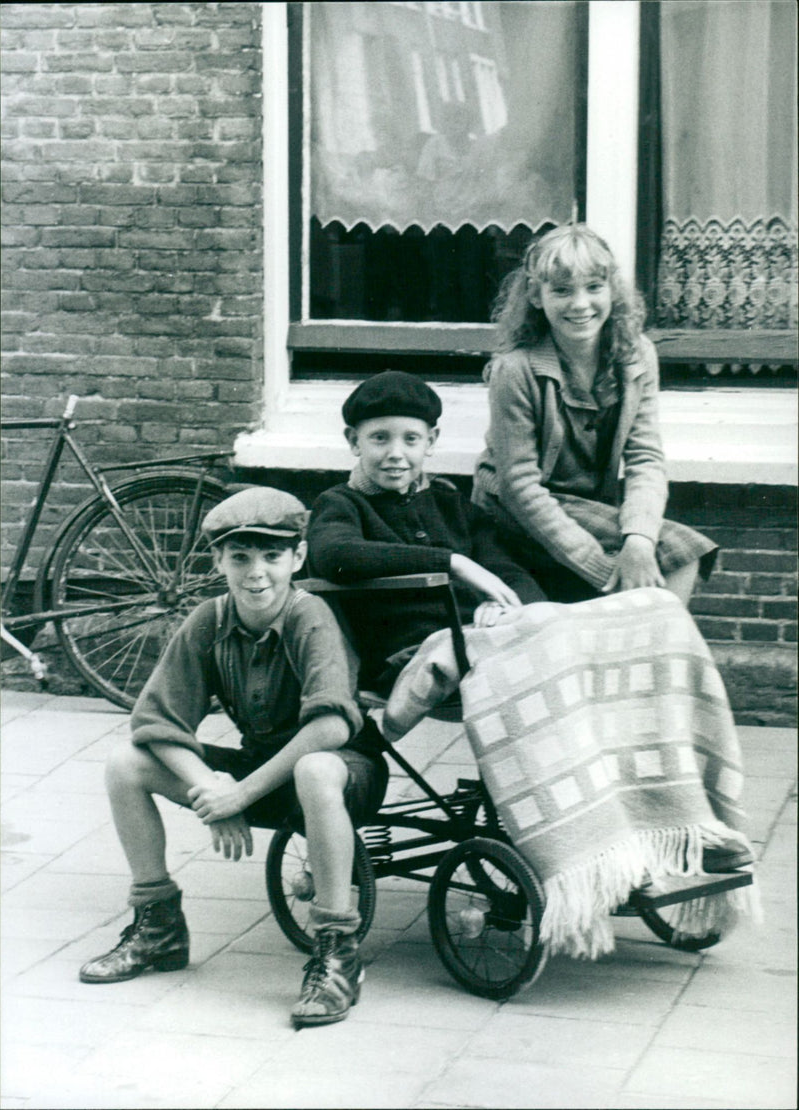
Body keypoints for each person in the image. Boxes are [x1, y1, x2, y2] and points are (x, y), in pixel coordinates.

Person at [78, 487, 389, 1030]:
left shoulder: (309, 616)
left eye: (272, 556)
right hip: (264, 774)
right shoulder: (209, 620)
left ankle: (337, 951)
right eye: (240, 557)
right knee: (125, 762)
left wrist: (240, 794)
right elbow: (156, 722)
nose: (257, 573)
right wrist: (212, 789)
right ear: (218, 560)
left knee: (315, 768)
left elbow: (332, 725)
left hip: (340, 775)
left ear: (298, 558)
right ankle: (158, 927)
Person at [472, 222, 718, 606]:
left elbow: (646, 458)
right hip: (511, 514)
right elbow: (520, 487)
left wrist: (638, 538)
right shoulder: (515, 370)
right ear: (536, 296)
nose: (580, 304)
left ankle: (649, 660)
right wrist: (601, 567)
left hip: (589, 507)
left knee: (683, 553)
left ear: (612, 290)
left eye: (593, 287)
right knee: (658, 566)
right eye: (562, 291)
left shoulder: (636, 357)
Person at [307, 370, 547, 694]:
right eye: (380, 438)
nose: (395, 453)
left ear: (430, 442)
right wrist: (452, 562)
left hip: (472, 637)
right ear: (354, 441)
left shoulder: (452, 505)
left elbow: (508, 572)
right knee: (522, 666)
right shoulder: (340, 504)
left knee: (553, 630)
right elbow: (335, 554)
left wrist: (507, 607)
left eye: (411, 439)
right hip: (404, 656)